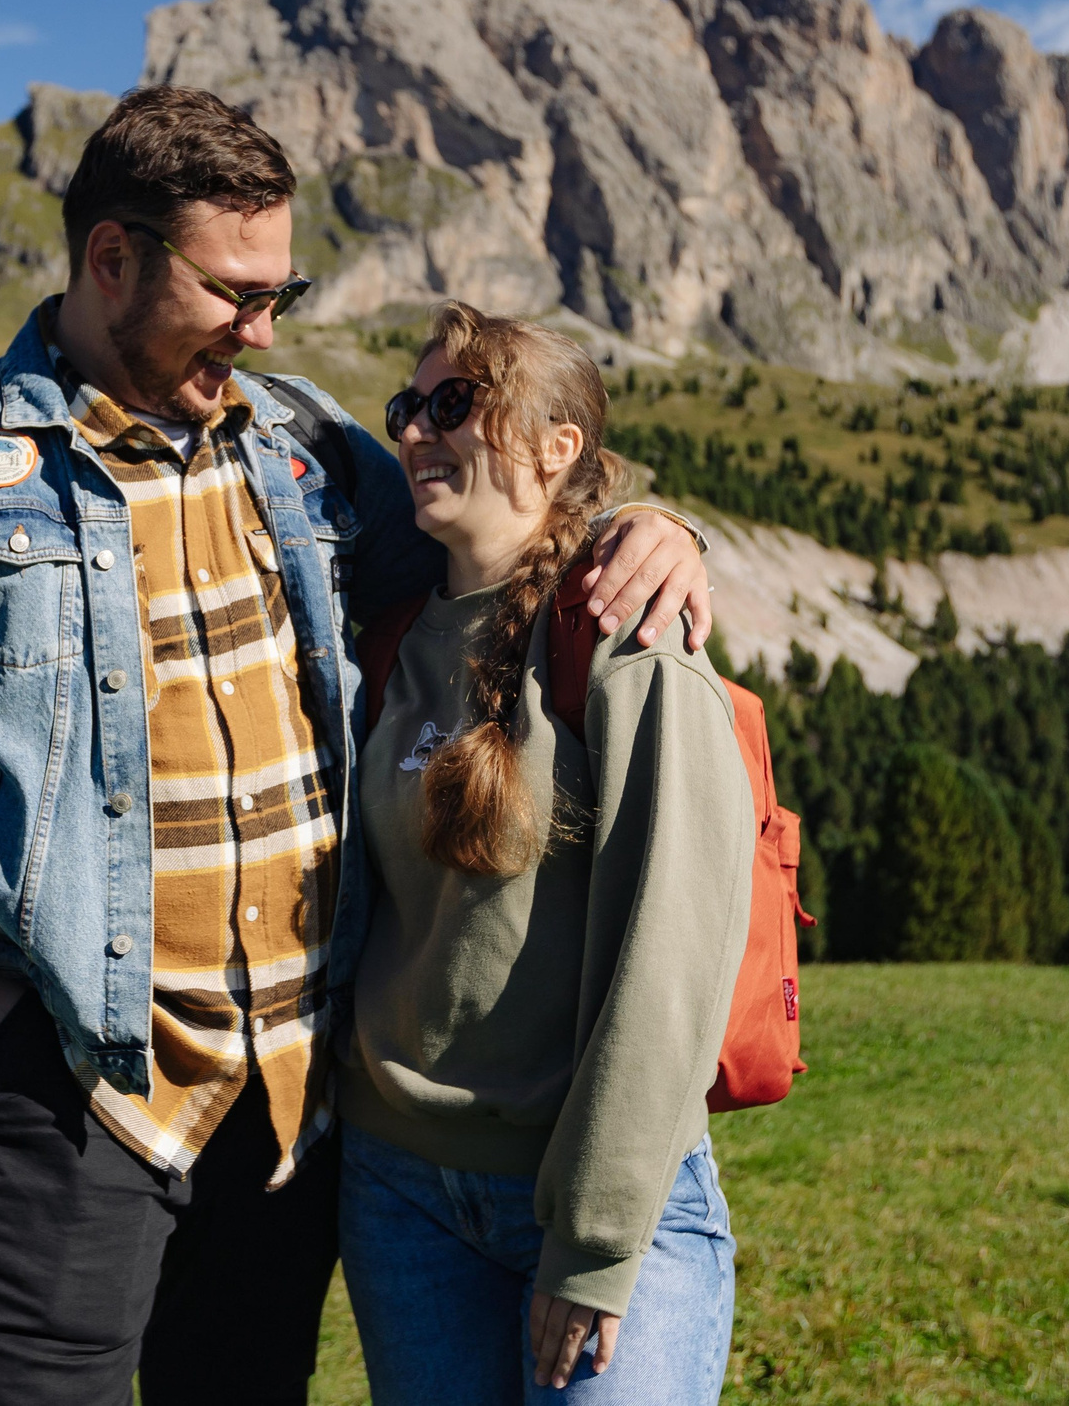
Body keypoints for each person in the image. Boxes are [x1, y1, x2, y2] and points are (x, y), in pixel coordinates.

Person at [0, 87, 718, 1406]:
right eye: (234, 292)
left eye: (282, 293)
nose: (264, 329)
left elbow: (504, 539)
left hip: (287, 1123)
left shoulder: (307, 448)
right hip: (60, 1098)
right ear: (111, 258)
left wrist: (650, 529)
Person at [337, 301, 751, 1403]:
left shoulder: (626, 636)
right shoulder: (384, 641)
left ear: (556, 445)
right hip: (400, 1199)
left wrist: (595, 1239)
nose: (415, 429)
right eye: (406, 406)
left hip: (596, 1199)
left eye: (453, 403)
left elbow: (674, 952)